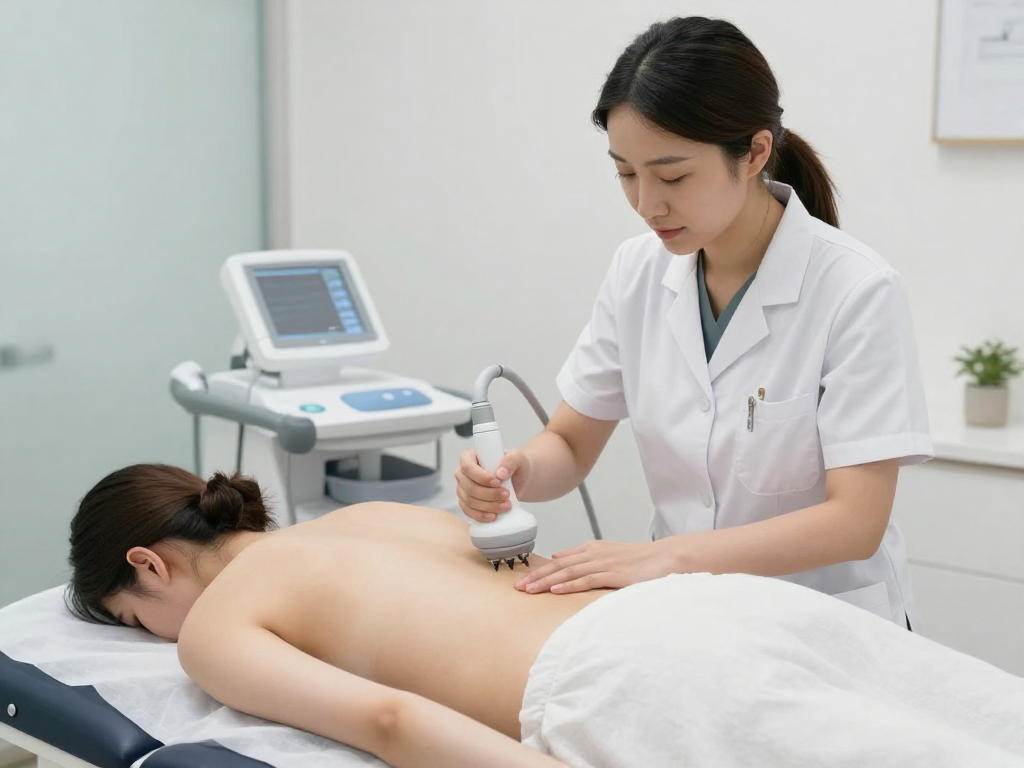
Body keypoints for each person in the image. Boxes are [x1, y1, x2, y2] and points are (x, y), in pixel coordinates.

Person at [455, 16, 932, 627]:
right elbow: (570, 445)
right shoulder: (637, 271)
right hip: (686, 619)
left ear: (755, 152)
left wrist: (667, 558)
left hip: (825, 621)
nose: (648, 204)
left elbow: (854, 522)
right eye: (626, 173)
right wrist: (516, 473)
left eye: (674, 176)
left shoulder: (856, 290)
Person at [68, 465, 1024, 768]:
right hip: (709, 605)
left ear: (148, 564)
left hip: (630, 677)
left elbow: (388, 720)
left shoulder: (213, 627)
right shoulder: (372, 517)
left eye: (130, 615)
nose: (155, 639)